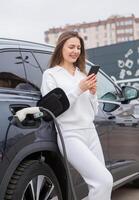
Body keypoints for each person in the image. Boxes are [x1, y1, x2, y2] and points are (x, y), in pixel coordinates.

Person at [41, 31, 113, 200]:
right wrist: (80, 88)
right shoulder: (51, 75)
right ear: (61, 48)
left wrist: (93, 94)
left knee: (100, 186)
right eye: (71, 46)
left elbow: (93, 111)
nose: (75, 51)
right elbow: (53, 108)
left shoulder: (83, 75)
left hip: (90, 132)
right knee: (104, 181)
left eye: (78, 47)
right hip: (70, 134)